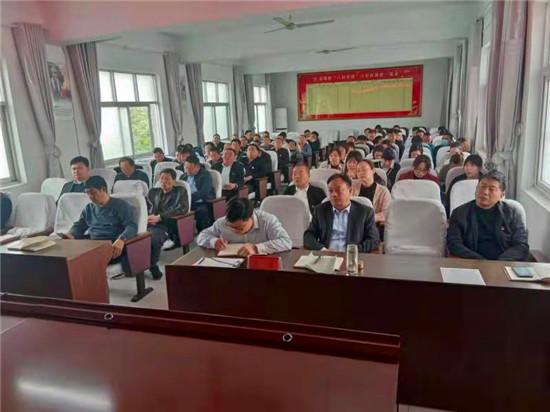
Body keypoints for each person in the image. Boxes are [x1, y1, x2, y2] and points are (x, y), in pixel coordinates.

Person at [447, 171, 529, 261]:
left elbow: (521, 245)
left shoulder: (513, 213)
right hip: (473, 262)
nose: (485, 192)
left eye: (491, 189)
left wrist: (499, 263)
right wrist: (481, 261)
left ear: (501, 195)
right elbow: (454, 243)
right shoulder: (460, 213)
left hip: (504, 263)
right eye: (482, 187)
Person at [65, 176, 137, 275]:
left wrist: (122, 239)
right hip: (93, 245)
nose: (90, 196)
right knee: (67, 258)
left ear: (103, 189)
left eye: (92, 192)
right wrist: (72, 234)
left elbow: (131, 226)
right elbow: (79, 225)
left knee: (80, 261)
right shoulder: (89, 208)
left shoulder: (120, 206)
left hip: (111, 246)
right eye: (87, 193)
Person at [303, 174, 380, 253]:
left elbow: (373, 240)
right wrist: (323, 249)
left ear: (350, 191)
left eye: (338, 190)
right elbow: (309, 235)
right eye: (330, 191)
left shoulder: (364, 212)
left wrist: (352, 251)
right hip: (327, 255)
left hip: (352, 256)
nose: (334, 194)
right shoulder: (320, 210)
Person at [197, 197, 292, 256]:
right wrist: (213, 242)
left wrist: (256, 248)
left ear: (251, 217)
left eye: (239, 227)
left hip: (261, 265)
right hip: (231, 265)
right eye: (230, 226)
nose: (234, 230)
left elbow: (286, 242)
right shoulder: (222, 222)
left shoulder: (267, 221)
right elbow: (202, 236)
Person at [146, 169, 189, 279]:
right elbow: (145, 207)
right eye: (161, 178)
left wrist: (159, 218)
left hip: (165, 225)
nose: (163, 181)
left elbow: (182, 209)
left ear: (174, 181)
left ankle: (152, 267)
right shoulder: (153, 192)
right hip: (148, 223)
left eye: (167, 179)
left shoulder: (180, 192)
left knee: (153, 239)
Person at [181, 155, 215, 232]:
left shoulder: (205, 175)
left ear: (198, 166)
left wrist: (188, 199)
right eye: (186, 168)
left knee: (202, 211)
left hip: (201, 202)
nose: (187, 171)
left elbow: (203, 192)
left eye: (190, 168)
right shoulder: (183, 176)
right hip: (186, 203)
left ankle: (204, 234)